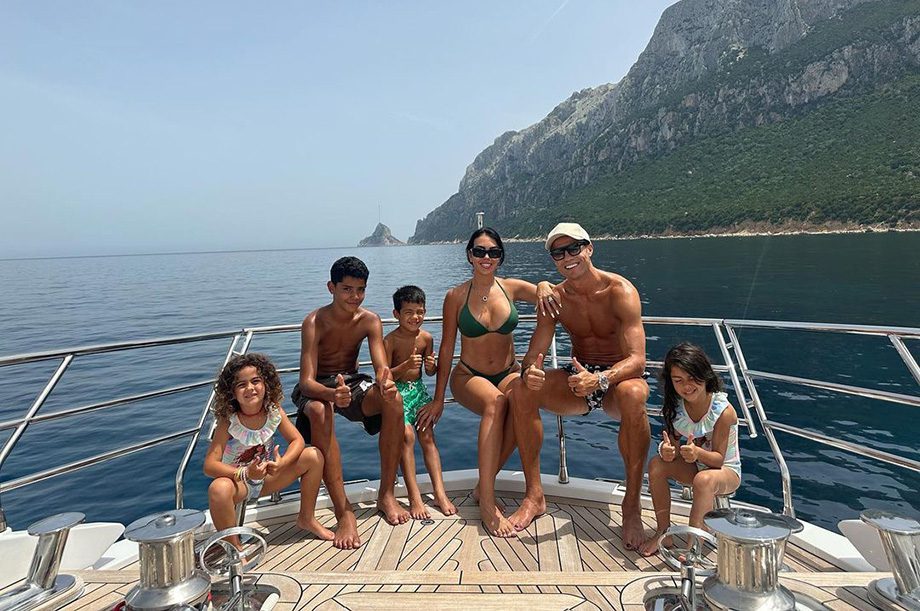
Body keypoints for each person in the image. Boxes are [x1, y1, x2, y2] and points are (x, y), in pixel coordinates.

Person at [509, 222, 651, 549]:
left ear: (589, 248)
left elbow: (638, 360)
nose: (567, 257)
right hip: (578, 377)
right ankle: (534, 496)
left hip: (618, 379)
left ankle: (631, 505)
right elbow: (535, 352)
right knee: (521, 389)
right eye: (558, 253)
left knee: (633, 394)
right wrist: (530, 371)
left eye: (573, 248)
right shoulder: (556, 298)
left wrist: (600, 379)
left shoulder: (620, 291)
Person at [424, 227, 558, 537]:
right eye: (480, 251)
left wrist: (542, 284)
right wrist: (438, 398)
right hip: (468, 375)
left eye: (494, 252)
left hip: (508, 371)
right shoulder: (455, 296)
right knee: (496, 403)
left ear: (500, 257)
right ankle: (487, 503)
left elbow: (549, 293)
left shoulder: (511, 288)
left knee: (522, 403)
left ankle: (494, 489)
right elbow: (447, 348)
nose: (487, 257)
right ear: (469, 255)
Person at [291, 256, 408, 550]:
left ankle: (386, 495)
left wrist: (385, 381)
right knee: (320, 410)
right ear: (331, 287)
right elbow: (306, 382)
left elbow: (381, 367)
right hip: (318, 385)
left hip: (352, 381)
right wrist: (332, 395)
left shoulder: (369, 320)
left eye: (360, 290)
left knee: (393, 400)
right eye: (346, 289)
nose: (354, 297)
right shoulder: (314, 322)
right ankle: (344, 512)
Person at [204, 353, 333, 547]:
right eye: (241, 384)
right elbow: (210, 465)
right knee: (218, 488)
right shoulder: (228, 421)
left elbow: (297, 440)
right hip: (239, 484)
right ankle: (234, 546)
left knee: (313, 455)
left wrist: (283, 462)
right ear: (231, 392)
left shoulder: (273, 410)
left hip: (268, 480)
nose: (250, 388)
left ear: (266, 384)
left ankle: (307, 518)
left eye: (255, 381)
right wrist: (245, 473)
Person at [638, 343, 741, 557]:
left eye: (693, 378)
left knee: (704, 480)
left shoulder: (723, 411)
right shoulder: (677, 408)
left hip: (726, 471)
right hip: (697, 466)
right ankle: (663, 533)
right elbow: (673, 447)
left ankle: (694, 545)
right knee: (657, 464)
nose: (687, 386)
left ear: (705, 375)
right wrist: (667, 450)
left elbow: (718, 460)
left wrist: (698, 453)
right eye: (678, 380)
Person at [383, 285, 457, 519]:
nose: (415, 317)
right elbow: (384, 376)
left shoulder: (426, 338)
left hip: (418, 392)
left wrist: (431, 366)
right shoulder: (390, 341)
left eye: (420, 312)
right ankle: (414, 496)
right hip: (397, 395)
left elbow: (429, 372)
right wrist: (405, 366)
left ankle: (440, 493)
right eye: (409, 312)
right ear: (396, 314)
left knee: (427, 437)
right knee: (407, 437)